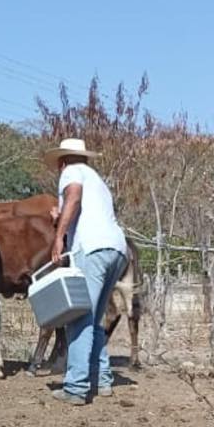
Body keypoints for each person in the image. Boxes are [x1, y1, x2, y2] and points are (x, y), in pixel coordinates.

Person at [45, 137, 129, 404]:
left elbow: (74, 197)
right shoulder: (98, 181)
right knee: (95, 318)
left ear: (62, 160)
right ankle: (101, 379)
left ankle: (76, 388)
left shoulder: (71, 172)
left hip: (91, 250)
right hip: (116, 249)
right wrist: (62, 219)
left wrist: (58, 236)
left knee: (80, 317)